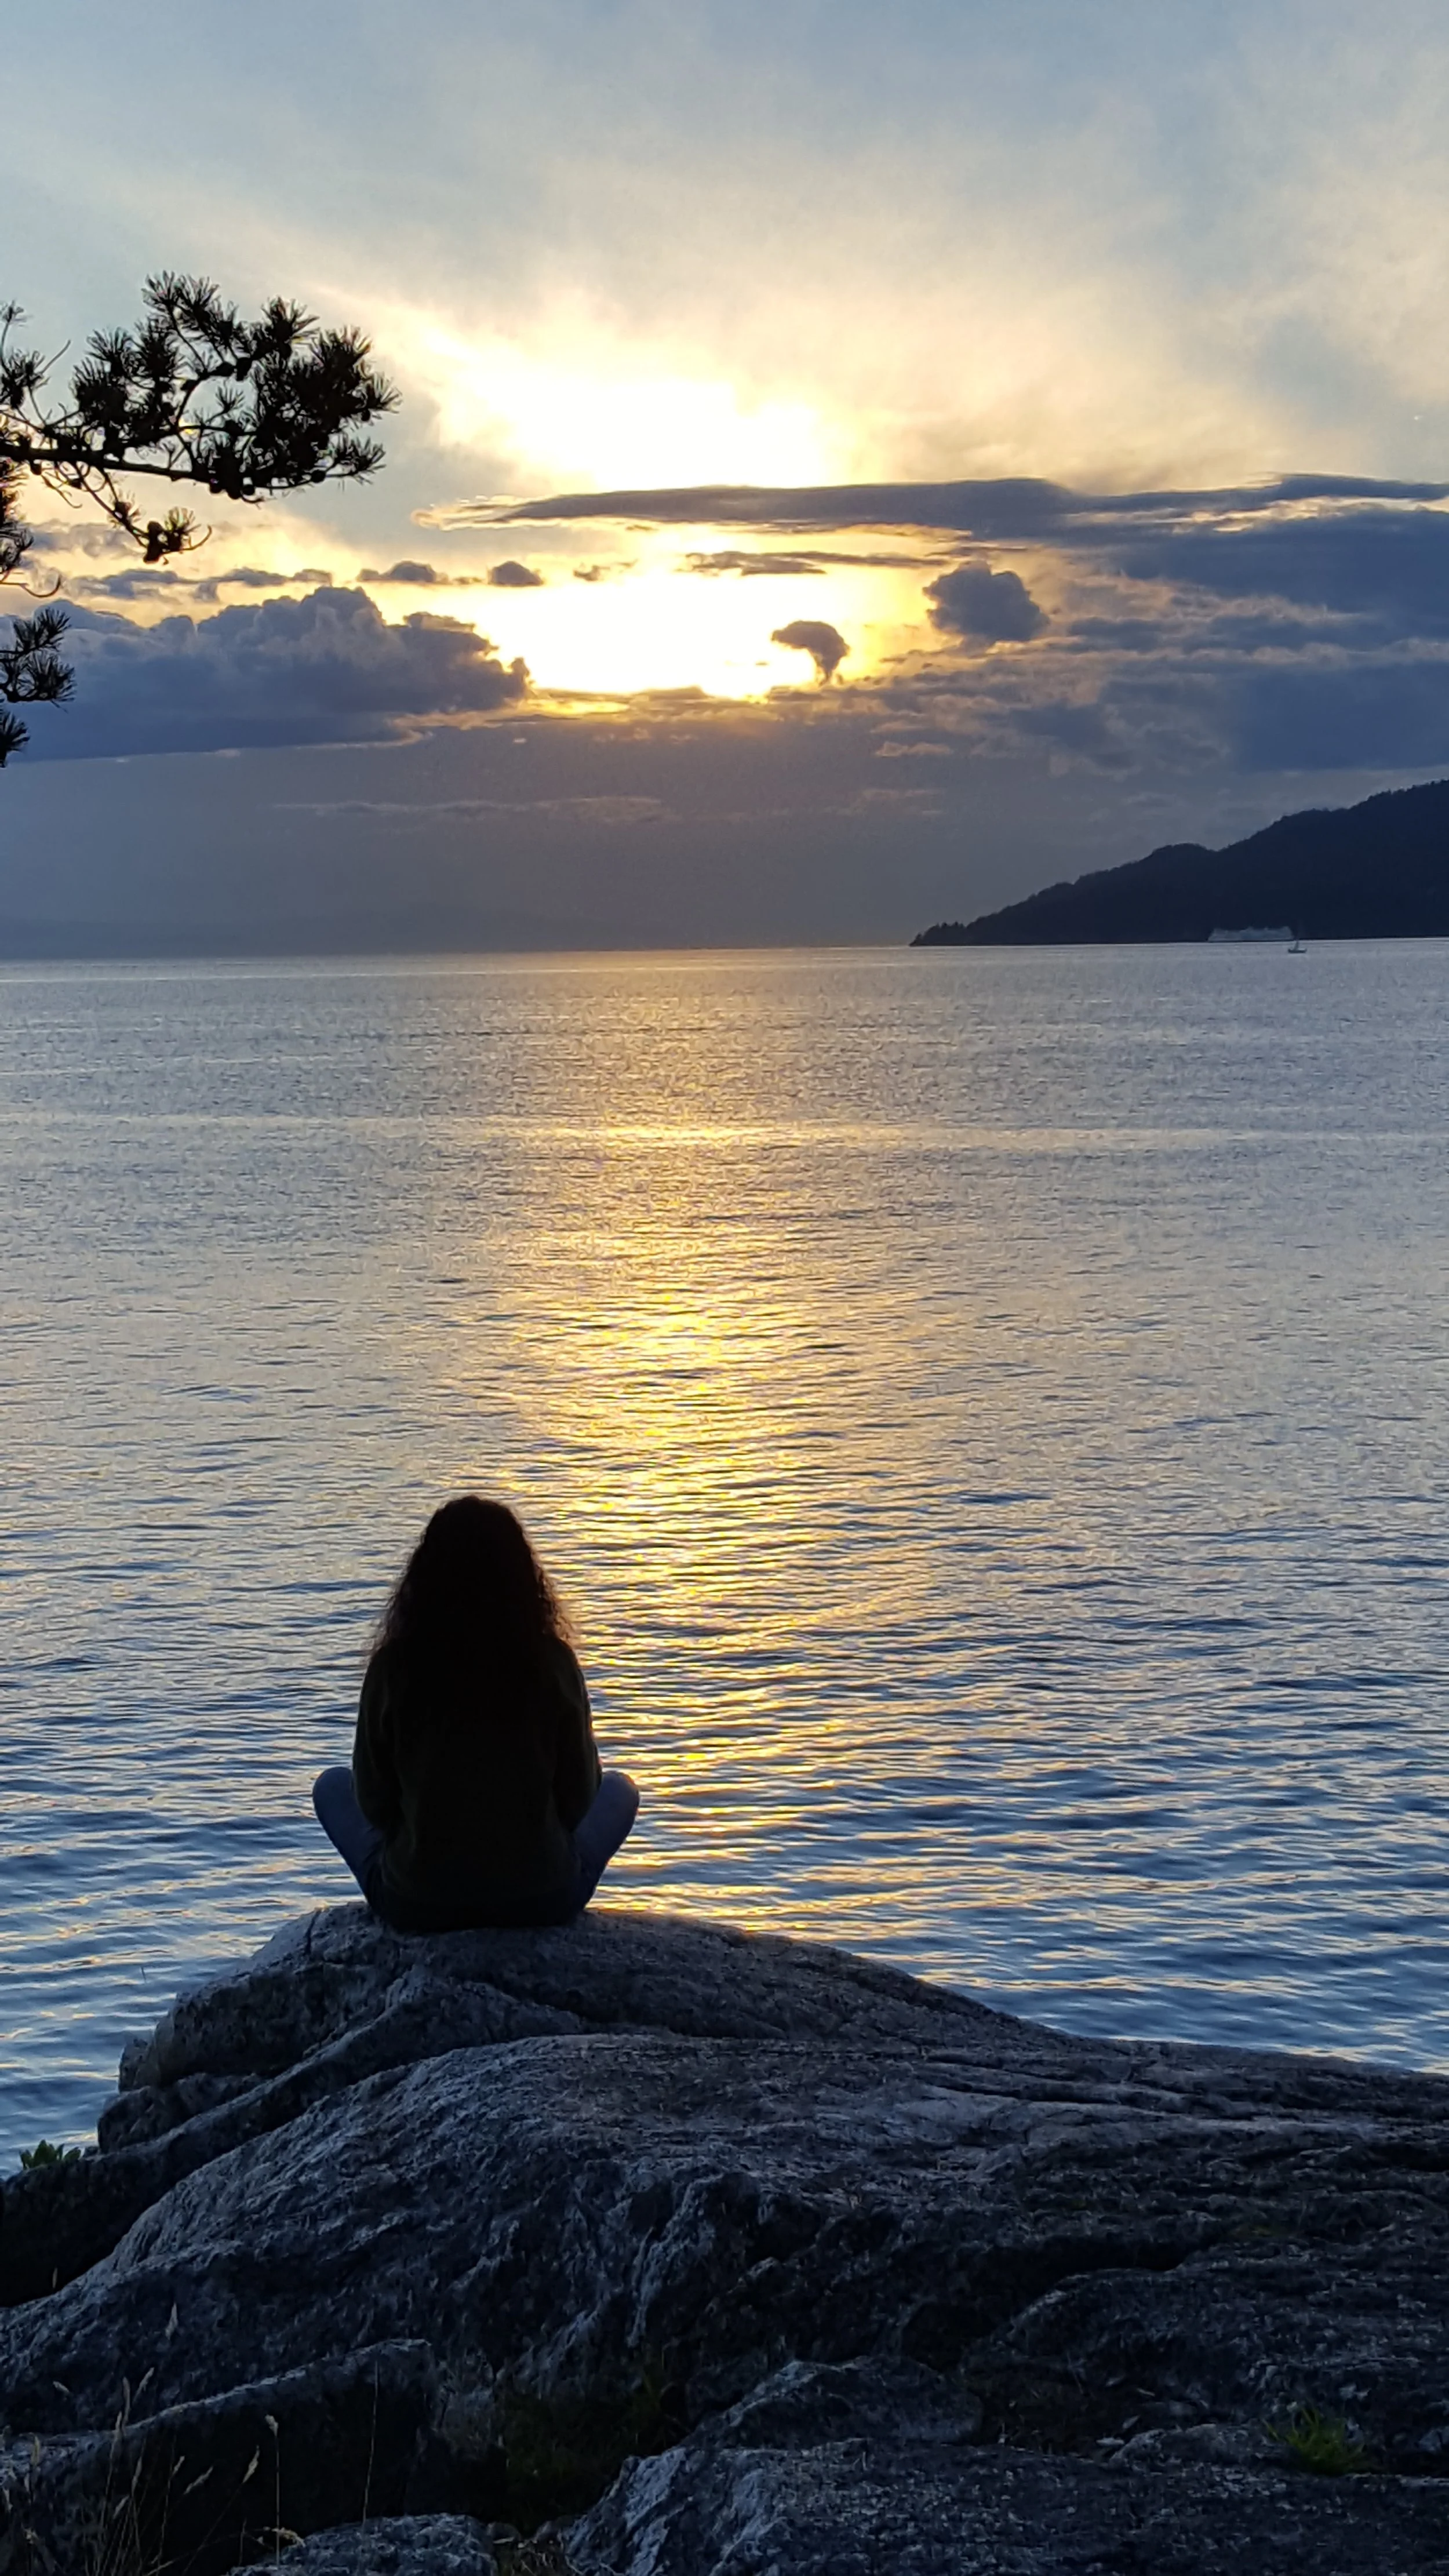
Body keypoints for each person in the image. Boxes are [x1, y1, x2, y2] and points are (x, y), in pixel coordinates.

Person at [312, 1495, 639, 1931]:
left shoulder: (395, 1669)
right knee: (622, 1790)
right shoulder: (551, 1664)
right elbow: (579, 1800)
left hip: (419, 1906)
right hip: (542, 1900)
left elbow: (373, 1803)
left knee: (331, 1786)